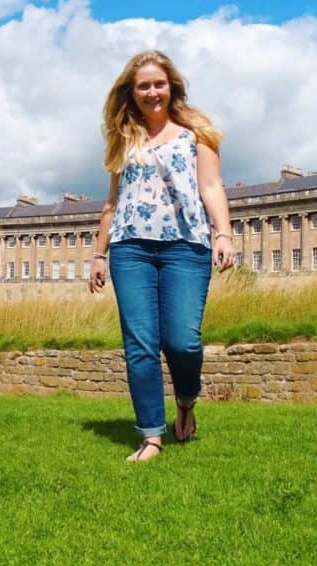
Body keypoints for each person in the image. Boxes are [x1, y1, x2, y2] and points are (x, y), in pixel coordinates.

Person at [88, 50, 235, 463]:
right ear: (131, 93)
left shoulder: (197, 133)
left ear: (171, 87)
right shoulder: (124, 137)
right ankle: (151, 435)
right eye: (143, 86)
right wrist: (99, 256)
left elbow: (211, 186)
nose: (152, 92)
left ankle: (186, 399)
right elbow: (112, 204)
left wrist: (222, 232)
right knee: (140, 344)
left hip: (186, 247)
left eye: (159, 84)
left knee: (183, 341)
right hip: (130, 248)